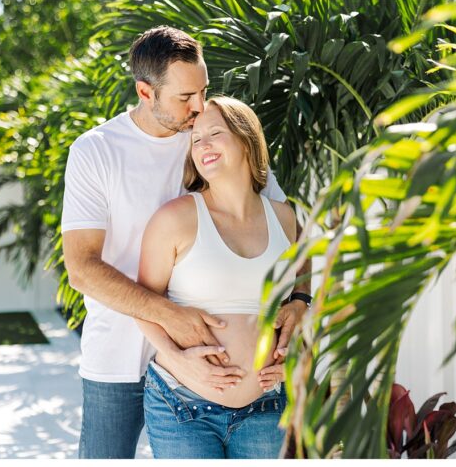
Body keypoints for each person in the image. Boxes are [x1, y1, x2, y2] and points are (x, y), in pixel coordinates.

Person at [61, 26, 310, 459]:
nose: (198, 107)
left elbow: (288, 228)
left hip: (213, 376)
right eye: (184, 98)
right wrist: (170, 319)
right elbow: (82, 267)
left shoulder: (212, 137)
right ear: (145, 91)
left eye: (204, 91)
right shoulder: (97, 151)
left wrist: (301, 300)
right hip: (117, 358)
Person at [137, 96, 297, 458]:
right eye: (195, 139)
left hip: (265, 406)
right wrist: (176, 360)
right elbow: (142, 305)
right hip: (182, 404)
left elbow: (296, 296)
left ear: (246, 139)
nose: (203, 145)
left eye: (215, 133)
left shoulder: (284, 218)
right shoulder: (174, 218)